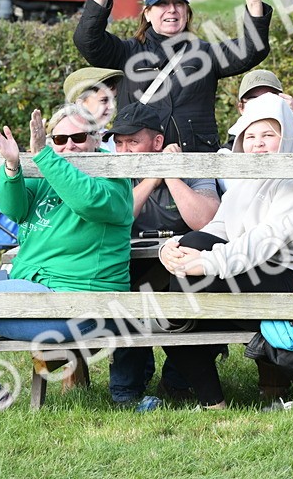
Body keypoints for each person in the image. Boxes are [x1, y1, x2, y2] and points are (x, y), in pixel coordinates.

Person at [157, 95, 293, 408]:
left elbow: (264, 239)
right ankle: (213, 401)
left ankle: (288, 366)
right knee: (170, 307)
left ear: (287, 134)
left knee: (181, 296)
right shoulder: (249, 177)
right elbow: (220, 227)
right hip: (263, 267)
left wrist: (207, 263)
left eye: (268, 135)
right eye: (251, 136)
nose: (258, 144)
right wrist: (172, 249)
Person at [0, 105, 133, 409]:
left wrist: (44, 154)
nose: (68, 146)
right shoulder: (46, 172)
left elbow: (88, 202)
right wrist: (13, 167)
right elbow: (14, 209)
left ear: (97, 139)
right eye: (59, 140)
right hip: (40, 288)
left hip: (83, 305)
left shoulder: (112, 178)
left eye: (78, 137)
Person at [74, 0, 271, 152]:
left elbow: (253, 49)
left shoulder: (206, 54)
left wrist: (254, 3)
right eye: (162, 4)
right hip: (139, 166)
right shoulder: (126, 52)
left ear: (187, 13)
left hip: (195, 165)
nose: (172, 10)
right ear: (148, 14)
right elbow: (87, 41)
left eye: (179, 3)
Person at [106, 103, 219, 406]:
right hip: (129, 267)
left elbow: (205, 221)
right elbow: (119, 216)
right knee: (127, 297)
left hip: (182, 267)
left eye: (133, 141)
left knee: (209, 291)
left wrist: (170, 175)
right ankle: (126, 391)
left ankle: (178, 381)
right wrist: (151, 180)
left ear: (157, 143)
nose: (124, 151)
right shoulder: (109, 169)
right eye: (118, 142)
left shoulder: (191, 166)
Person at [230, 68, 293, 154]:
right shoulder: (230, 147)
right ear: (241, 108)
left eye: (270, 97)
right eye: (254, 99)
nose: (262, 103)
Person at [63, 66, 122, 143]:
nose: (112, 106)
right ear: (80, 104)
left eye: (113, 99)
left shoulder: (114, 139)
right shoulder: (65, 141)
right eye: (104, 100)